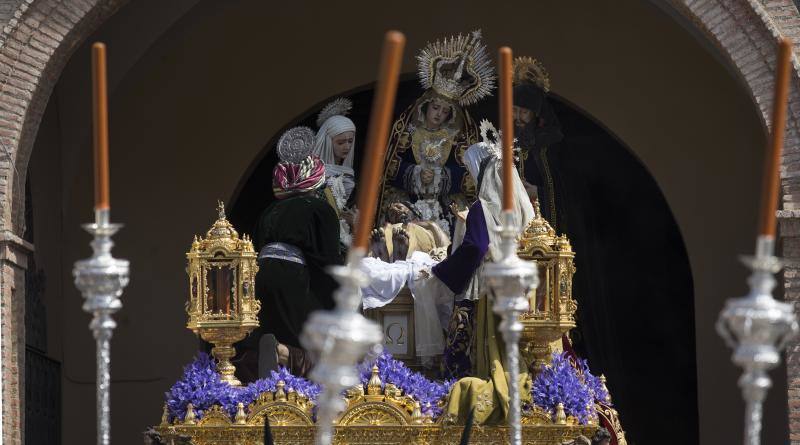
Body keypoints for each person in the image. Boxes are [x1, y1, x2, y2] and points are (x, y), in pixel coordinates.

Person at [431, 124, 536, 425]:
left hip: (486, 292)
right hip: (521, 290)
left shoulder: (483, 206)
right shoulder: (524, 207)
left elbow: (476, 247)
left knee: (471, 351)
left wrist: (442, 271)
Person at [246, 126, 343, 378]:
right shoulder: (318, 209)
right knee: (318, 340)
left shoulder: (269, 211)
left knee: (278, 326)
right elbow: (328, 261)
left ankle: (273, 355)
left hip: (262, 278)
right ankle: (282, 354)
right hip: (293, 277)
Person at [379, 30, 495, 233]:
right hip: (408, 198)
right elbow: (389, 166)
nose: (439, 114)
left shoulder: (456, 138)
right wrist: (414, 174)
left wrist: (440, 177)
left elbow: (467, 173)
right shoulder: (408, 132)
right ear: (425, 106)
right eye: (435, 108)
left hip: (446, 201)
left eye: (444, 111)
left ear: (451, 115)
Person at [512, 56, 567, 232]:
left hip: (545, 228)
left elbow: (569, 193)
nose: (518, 117)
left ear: (536, 114)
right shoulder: (506, 140)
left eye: (524, 112)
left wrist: (539, 193)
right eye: (514, 110)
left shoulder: (552, 143)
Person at [312, 97, 358, 245]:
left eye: (350, 141)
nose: (347, 147)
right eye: (341, 142)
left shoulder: (348, 175)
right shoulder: (313, 174)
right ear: (327, 141)